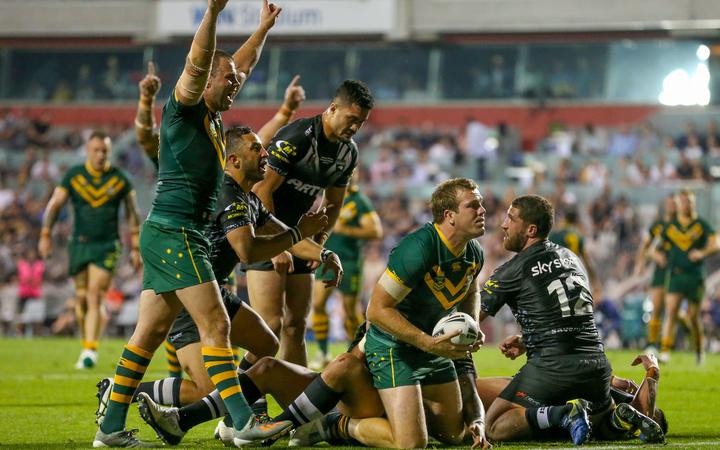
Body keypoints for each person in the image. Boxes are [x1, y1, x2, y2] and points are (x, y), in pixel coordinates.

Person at [93, 1, 294, 447]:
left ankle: (109, 429)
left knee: (147, 335)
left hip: (167, 232)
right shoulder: (185, 107)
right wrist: (214, 13)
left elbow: (236, 64)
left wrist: (261, 30)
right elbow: (200, 62)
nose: (236, 85)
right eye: (229, 81)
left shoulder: (213, 117)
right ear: (206, 82)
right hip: (177, 232)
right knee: (217, 327)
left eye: (237, 83)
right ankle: (243, 423)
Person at [96, 126, 342, 429]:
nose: (265, 154)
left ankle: (235, 411)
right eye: (256, 149)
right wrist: (297, 233)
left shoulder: (248, 198)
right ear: (234, 160)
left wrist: (325, 254)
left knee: (266, 341)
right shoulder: (224, 191)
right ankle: (122, 392)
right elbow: (248, 250)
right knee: (204, 391)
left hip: (214, 292)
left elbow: (283, 235)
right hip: (190, 293)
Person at [133, 62, 307, 381]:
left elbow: (246, 140)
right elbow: (147, 138)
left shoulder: (229, 171)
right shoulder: (182, 147)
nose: (264, 155)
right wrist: (145, 103)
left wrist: (283, 112)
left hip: (206, 273)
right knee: (199, 376)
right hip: (182, 257)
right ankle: (155, 397)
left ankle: (227, 408)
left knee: (259, 343)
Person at [477, 195, 664, 446]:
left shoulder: (512, 270)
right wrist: (527, 339)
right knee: (599, 428)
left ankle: (562, 413)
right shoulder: (571, 258)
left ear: (530, 230)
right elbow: (569, 319)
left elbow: (469, 319)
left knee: (495, 426)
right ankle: (616, 420)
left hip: (551, 369)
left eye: (511, 218)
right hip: (596, 369)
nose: (503, 224)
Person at [338, 177, 486, 448]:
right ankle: (340, 425)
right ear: (449, 216)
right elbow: (376, 309)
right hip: (396, 348)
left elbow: (472, 291)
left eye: (482, 204)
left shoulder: (474, 252)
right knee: (412, 444)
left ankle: (397, 415)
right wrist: (425, 341)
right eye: (473, 205)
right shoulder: (419, 247)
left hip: (432, 347)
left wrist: (473, 324)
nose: (482, 211)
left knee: (455, 437)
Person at [249, 79, 375, 366]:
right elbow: (262, 190)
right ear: (332, 108)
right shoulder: (297, 137)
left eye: (362, 122)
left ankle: (298, 406)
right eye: (352, 119)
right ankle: (245, 405)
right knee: (270, 326)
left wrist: (319, 245)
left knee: (296, 326)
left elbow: (333, 205)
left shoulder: (348, 153)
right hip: (264, 232)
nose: (355, 127)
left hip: (301, 238)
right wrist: (275, 246)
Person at [38, 131, 141, 369]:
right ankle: (88, 342)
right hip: (80, 244)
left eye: (104, 150)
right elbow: (54, 205)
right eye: (96, 150)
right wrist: (45, 235)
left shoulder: (119, 179)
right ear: (87, 150)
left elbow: (132, 213)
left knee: (95, 295)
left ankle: (89, 350)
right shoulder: (74, 176)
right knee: (82, 299)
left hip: (108, 245)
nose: (100, 155)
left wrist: (135, 247)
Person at [473, 353, 667, 442]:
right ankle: (619, 424)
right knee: (605, 428)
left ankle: (617, 423)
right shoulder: (623, 395)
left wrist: (652, 370)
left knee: (482, 414)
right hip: (575, 409)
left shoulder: (623, 393)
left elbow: (645, 410)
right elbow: (645, 409)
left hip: (547, 388)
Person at [310, 174, 382, 369]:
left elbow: (376, 231)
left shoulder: (359, 202)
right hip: (326, 258)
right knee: (318, 304)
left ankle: (358, 354)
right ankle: (323, 353)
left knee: (351, 311)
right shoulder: (328, 196)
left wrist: (346, 230)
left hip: (349, 261)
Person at [654, 189, 718, 364]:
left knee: (693, 316)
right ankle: (665, 350)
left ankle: (699, 350)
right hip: (675, 275)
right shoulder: (670, 226)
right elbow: (654, 247)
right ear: (678, 204)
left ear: (693, 202)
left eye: (688, 201)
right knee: (672, 309)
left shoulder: (701, 225)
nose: (685, 204)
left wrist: (702, 253)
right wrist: (657, 256)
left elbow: (716, 244)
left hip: (695, 276)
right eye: (682, 201)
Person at [633, 194, 676, 352]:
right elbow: (646, 245)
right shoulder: (659, 225)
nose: (672, 206)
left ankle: (669, 343)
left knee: (674, 310)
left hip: (678, 271)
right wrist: (641, 263)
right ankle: (652, 343)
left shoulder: (681, 225)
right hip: (661, 271)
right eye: (670, 203)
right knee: (657, 307)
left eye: (674, 203)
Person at [548, 208, 597, 289]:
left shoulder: (555, 235)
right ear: (576, 221)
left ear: (565, 220)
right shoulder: (579, 236)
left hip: (556, 274)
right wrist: (594, 280)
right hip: (573, 274)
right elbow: (587, 261)